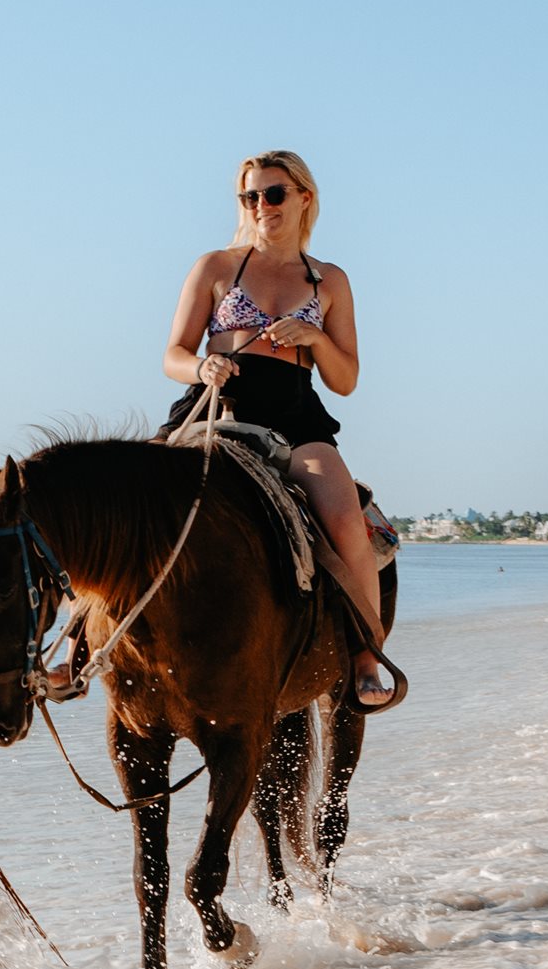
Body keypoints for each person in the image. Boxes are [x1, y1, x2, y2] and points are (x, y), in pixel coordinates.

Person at [157, 150, 397, 702]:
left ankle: (365, 656)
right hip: (217, 403)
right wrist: (201, 365)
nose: (261, 205)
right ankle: (75, 646)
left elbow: (346, 379)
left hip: (294, 414)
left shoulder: (328, 279)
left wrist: (314, 339)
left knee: (344, 516)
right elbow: (171, 353)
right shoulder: (217, 266)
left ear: (303, 198)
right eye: (250, 196)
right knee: (127, 499)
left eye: (273, 193)